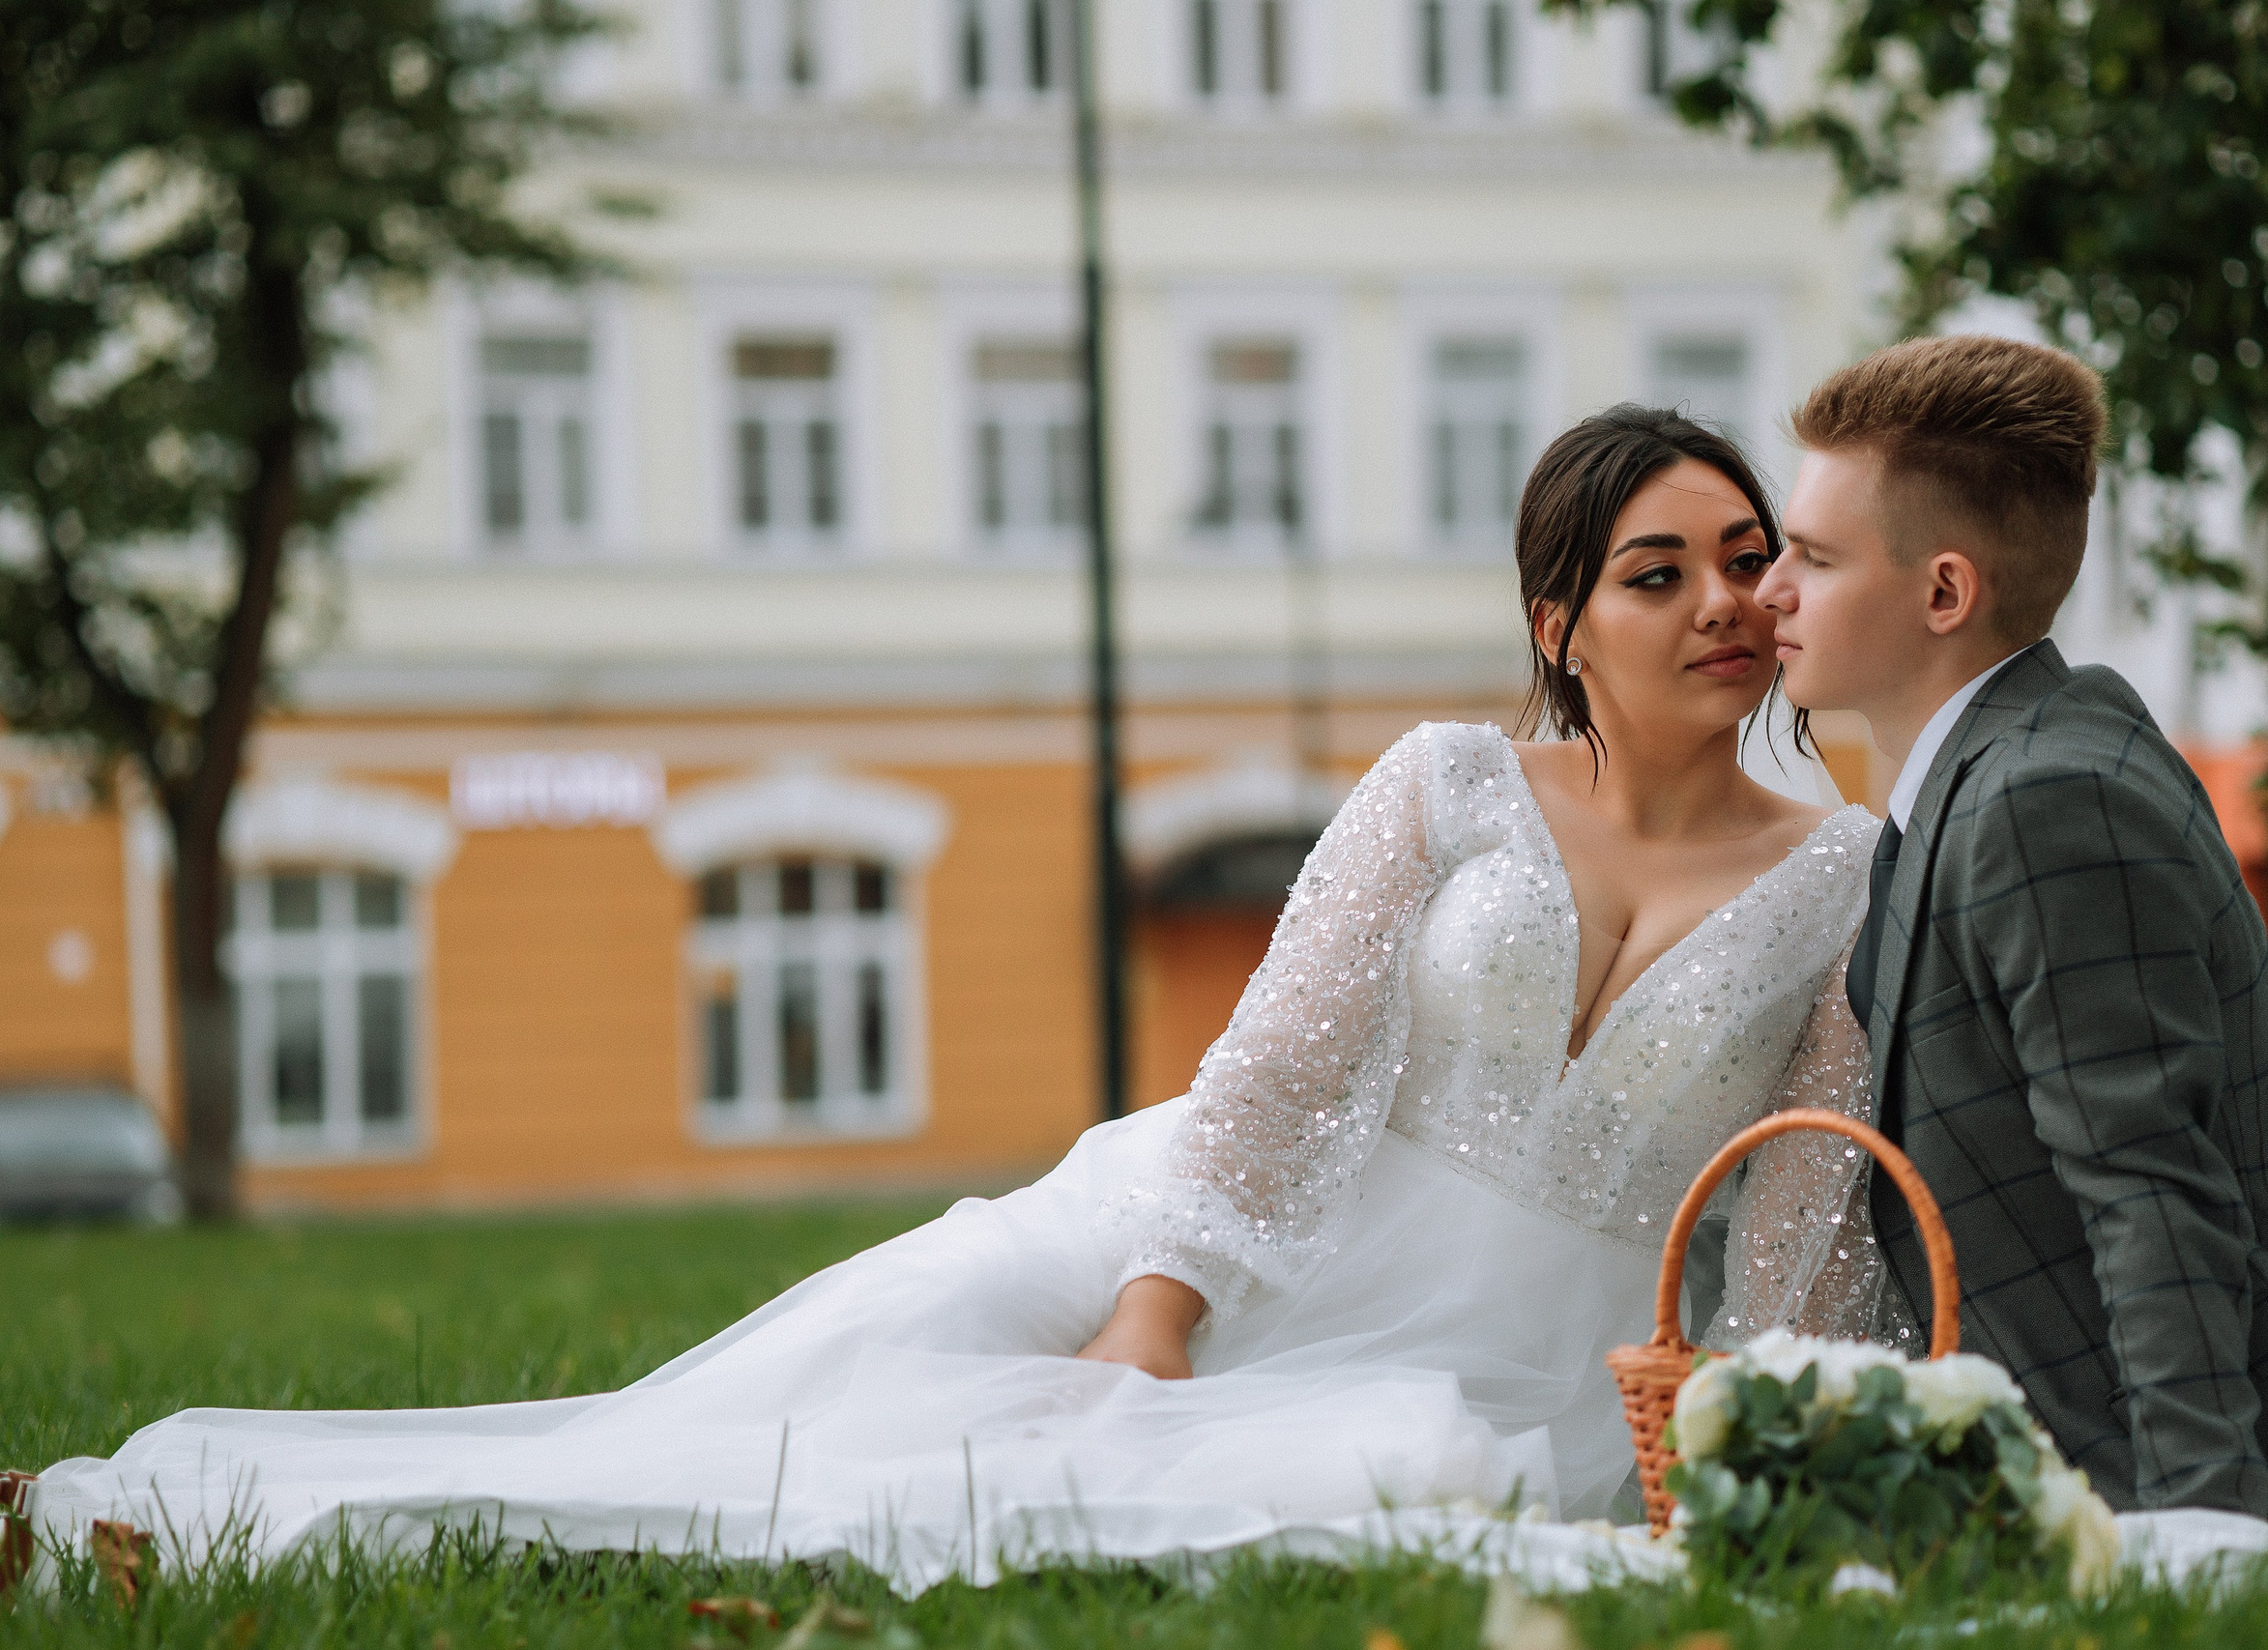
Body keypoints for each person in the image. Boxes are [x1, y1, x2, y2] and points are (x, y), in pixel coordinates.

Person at [15, 408, 1886, 1592]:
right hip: (1232, 1218)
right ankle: (183, 1506)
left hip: (1522, 1353)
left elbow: (1804, 1210)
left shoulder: (1839, 874)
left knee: (1249, 1483)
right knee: (853, 1379)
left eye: (1750, 560)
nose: (1727, 598)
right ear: (1561, 622)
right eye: (1663, 571)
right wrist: (1156, 1321)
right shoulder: (1444, 781)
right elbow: (1285, 1063)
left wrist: (1754, 1440)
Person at [1755, 333, 2268, 1520]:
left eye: (1814, 559)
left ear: (1944, 591)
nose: (1768, 588)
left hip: (2245, 1466)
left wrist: (2200, 1526)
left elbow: (2151, 1189)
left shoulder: (2044, 798)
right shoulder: (1996, 768)